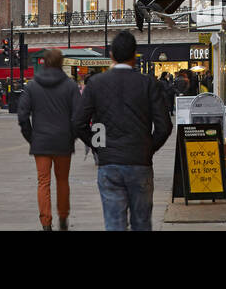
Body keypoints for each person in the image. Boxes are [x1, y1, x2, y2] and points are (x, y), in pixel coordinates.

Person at [73, 31, 171, 231]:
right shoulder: (148, 83)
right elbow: (164, 126)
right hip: (139, 161)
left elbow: (78, 122)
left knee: (114, 224)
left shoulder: (96, 84)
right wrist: (148, 147)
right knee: (142, 223)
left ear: (111, 55)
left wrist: (98, 145)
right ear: (134, 55)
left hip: (109, 163)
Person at [18, 48, 81, 231]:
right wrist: (72, 136)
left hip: (41, 142)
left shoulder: (32, 86)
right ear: (61, 63)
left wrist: (32, 137)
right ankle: (63, 218)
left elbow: (22, 115)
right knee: (63, 181)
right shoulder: (70, 86)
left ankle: (46, 222)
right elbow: (79, 116)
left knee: (43, 182)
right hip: (63, 142)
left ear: (44, 63)